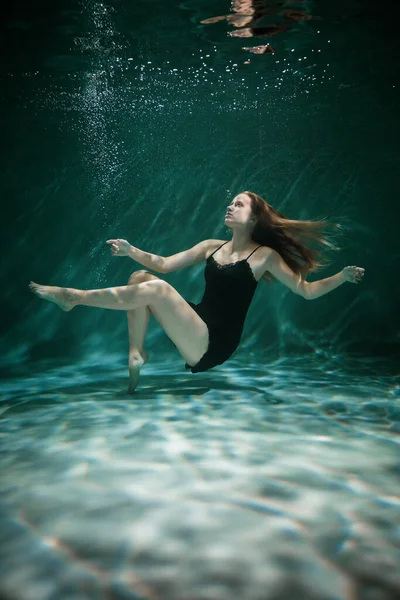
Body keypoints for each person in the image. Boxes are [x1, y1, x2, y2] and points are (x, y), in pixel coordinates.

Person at [29, 192, 364, 392]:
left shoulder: (264, 256)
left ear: (253, 220)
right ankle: (136, 352)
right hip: (197, 323)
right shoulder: (210, 246)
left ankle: (74, 298)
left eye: (239, 205)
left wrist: (341, 277)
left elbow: (305, 290)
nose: (230, 207)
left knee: (155, 290)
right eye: (230, 203)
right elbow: (162, 263)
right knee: (140, 276)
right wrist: (132, 250)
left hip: (215, 344)